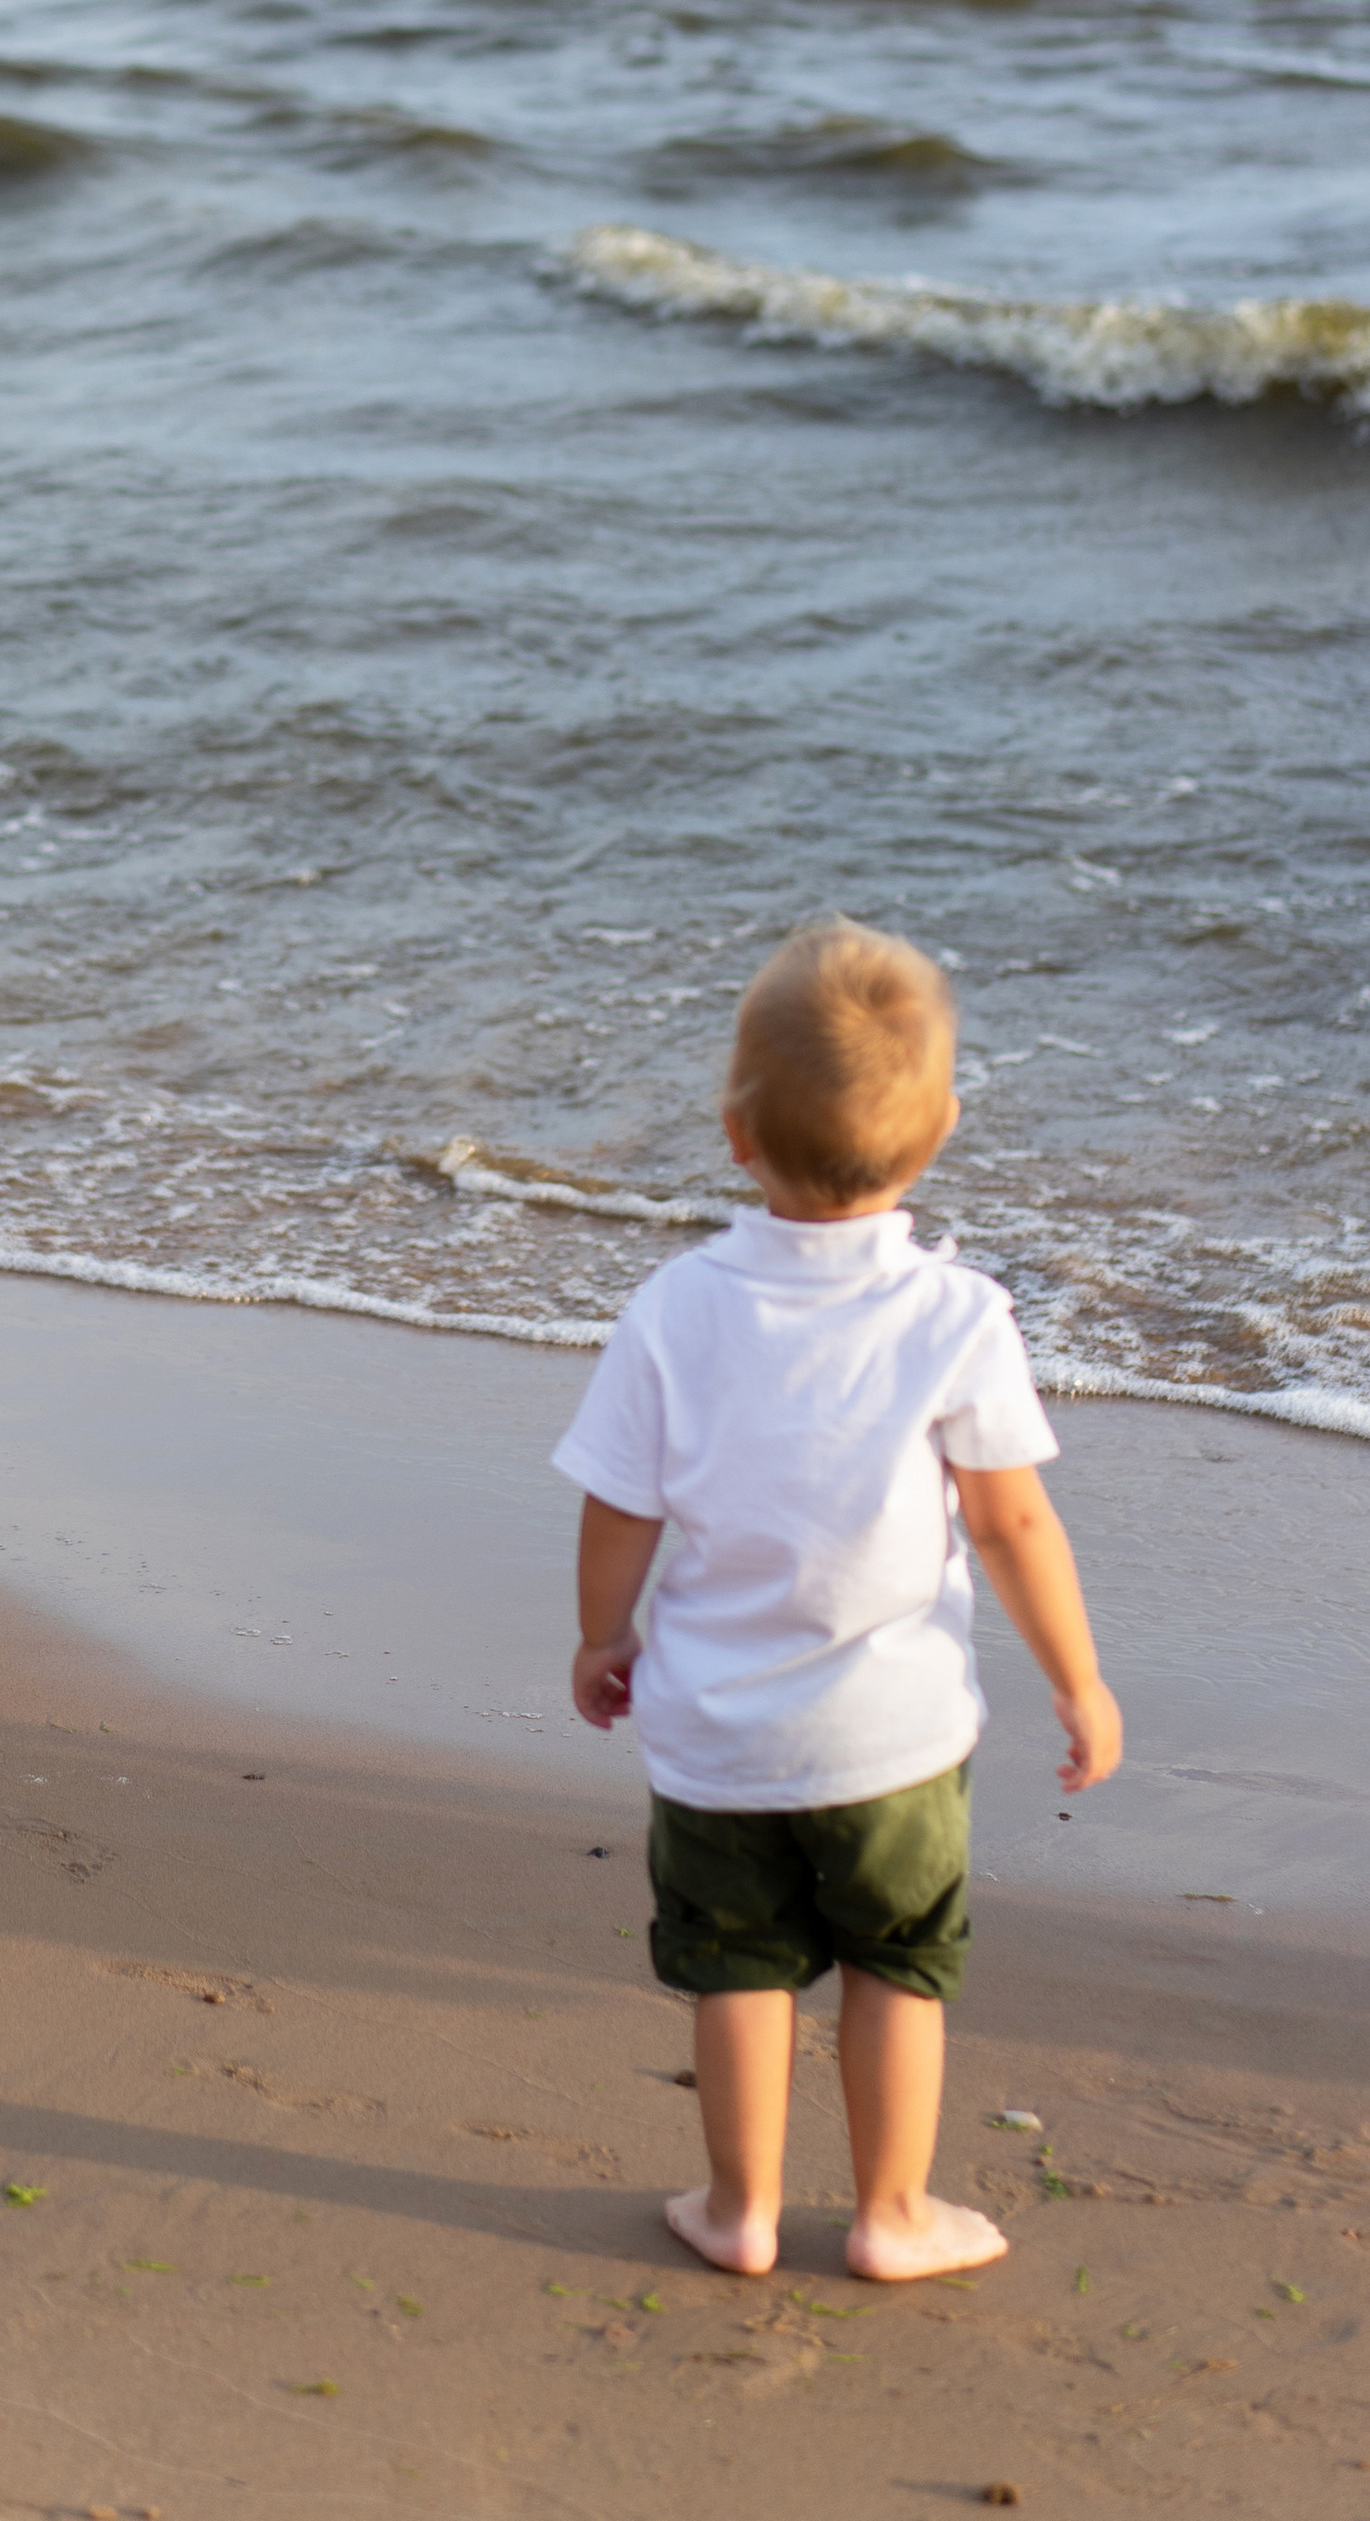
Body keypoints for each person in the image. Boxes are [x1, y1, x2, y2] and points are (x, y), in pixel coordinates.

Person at [553, 916, 1120, 2282]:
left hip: (714, 1733)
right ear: (939, 1135)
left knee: (738, 1967)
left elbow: (619, 1507)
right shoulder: (958, 1315)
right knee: (895, 1968)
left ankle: (739, 2209)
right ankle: (891, 2213)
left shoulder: (677, 1308)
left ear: (736, 1134)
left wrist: (600, 1638)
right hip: (895, 1739)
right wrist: (1078, 1678)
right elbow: (1012, 1519)